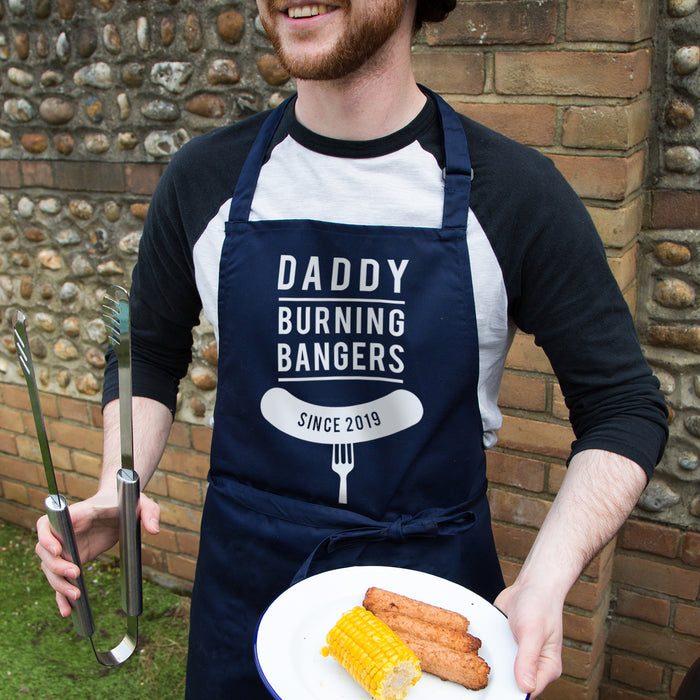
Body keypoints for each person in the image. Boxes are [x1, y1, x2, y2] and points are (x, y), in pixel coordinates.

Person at [35, 1, 668, 698]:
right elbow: (147, 354)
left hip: (431, 606)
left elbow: (623, 406)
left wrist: (548, 578)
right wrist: (114, 483)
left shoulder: (515, 193)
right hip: (244, 592)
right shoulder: (202, 180)